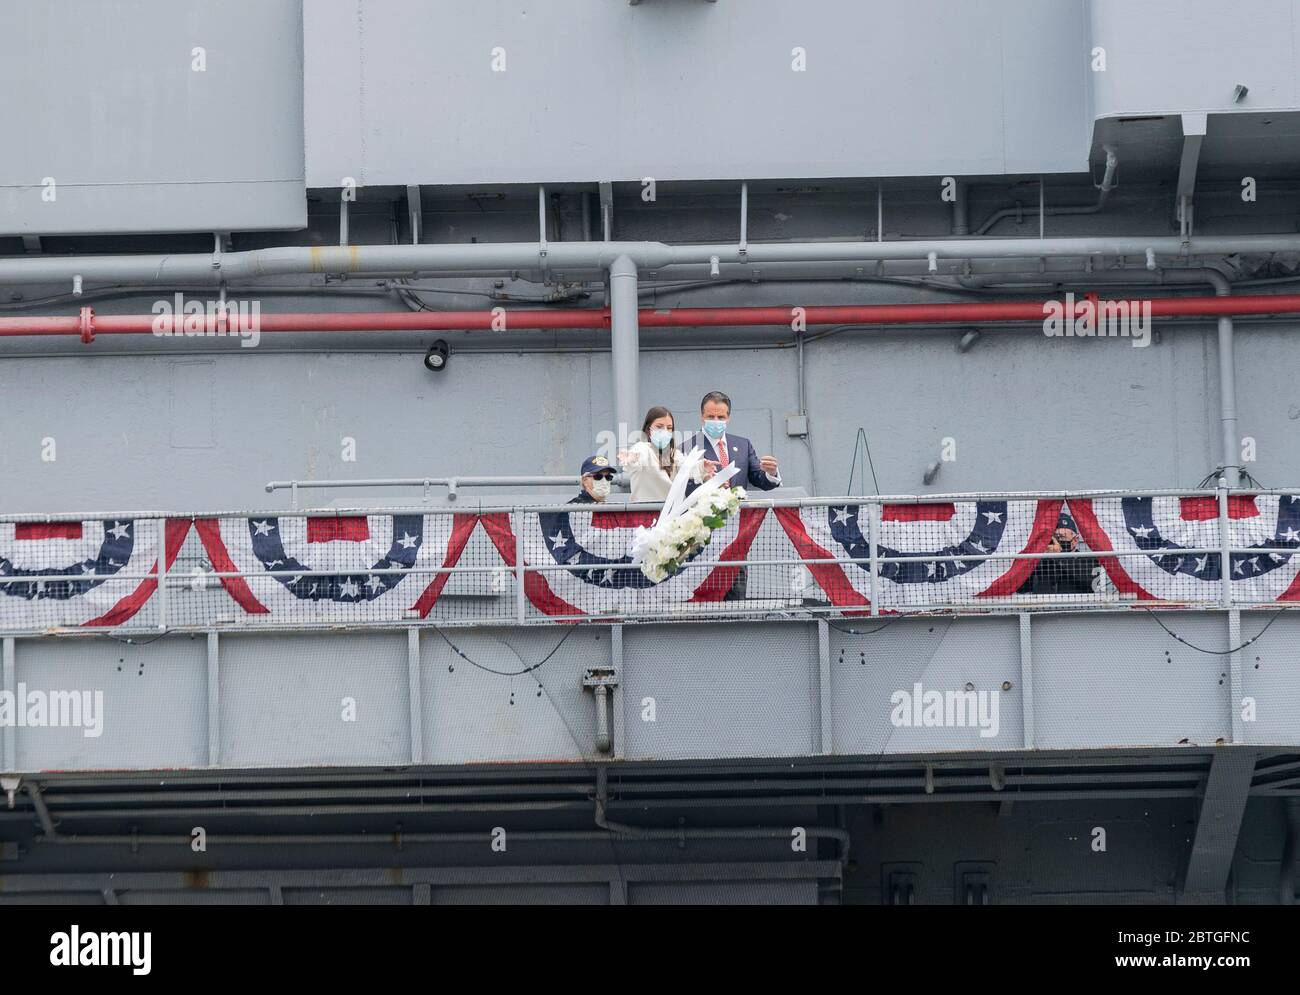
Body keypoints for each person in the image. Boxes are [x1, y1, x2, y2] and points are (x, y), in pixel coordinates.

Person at [682, 390, 782, 494]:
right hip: (703, 509)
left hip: (738, 509)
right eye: (710, 417)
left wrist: (771, 473)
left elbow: (759, 480)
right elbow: (683, 488)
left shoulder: (743, 445)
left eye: (721, 417)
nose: (716, 421)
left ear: (728, 418)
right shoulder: (687, 448)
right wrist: (709, 482)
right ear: (702, 416)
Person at [617, 406, 714, 503]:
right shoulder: (643, 448)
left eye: (669, 428)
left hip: (670, 514)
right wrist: (631, 458)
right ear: (648, 429)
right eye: (659, 427)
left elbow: (685, 466)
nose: (665, 431)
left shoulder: (673, 453)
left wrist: (701, 467)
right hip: (644, 513)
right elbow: (638, 456)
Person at [1017, 523, 1100, 595]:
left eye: (1060, 537)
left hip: (1075, 611)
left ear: (1075, 540)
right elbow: (1021, 588)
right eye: (1051, 538)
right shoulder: (1039, 561)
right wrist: (1036, 560)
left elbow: (1092, 585)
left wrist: (1059, 557)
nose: (1055, 542)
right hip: (1042, 611)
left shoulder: (1089, 559)